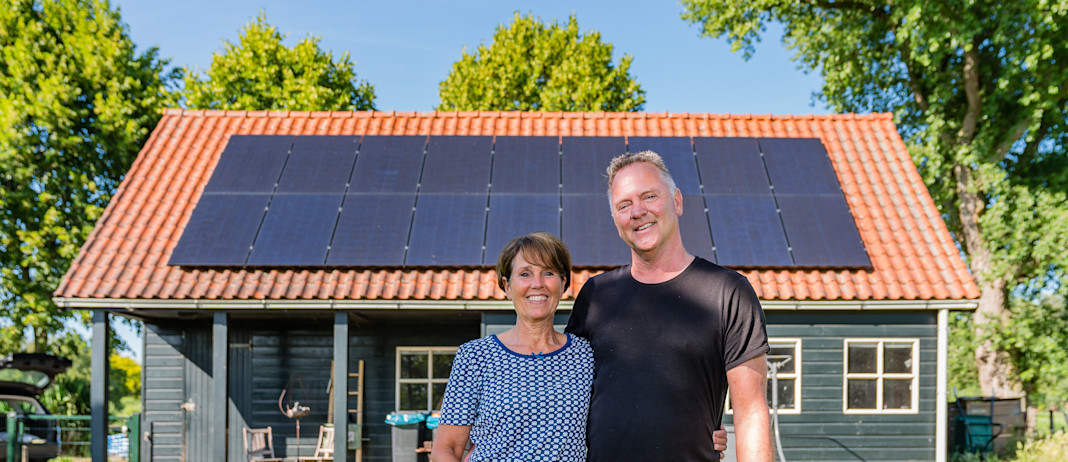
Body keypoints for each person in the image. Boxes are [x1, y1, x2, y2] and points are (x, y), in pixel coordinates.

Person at [566, 151, 773, 461]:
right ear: (615, 220)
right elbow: (562, 393)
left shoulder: (728, 293)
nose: (637, 212)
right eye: (624, 205)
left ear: (677, 201)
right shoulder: (594, 296)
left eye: (649, 197)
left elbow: (751, 412)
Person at [431, 232, 594, 462]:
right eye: (525, 274)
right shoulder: (475, 357)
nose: (537, 284)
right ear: (507, 286)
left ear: (563, 282)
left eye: (548, 273)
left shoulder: (585, 355)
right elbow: (445, 451)